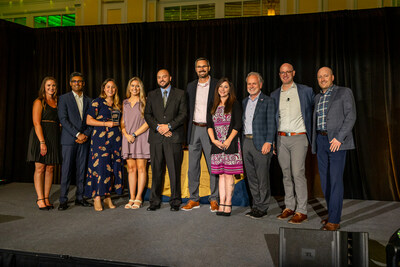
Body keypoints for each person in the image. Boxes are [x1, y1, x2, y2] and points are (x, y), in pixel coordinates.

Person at [312, 67, 356, 231]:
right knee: (325, 181)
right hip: (321, 140)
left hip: (336, 142)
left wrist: (339, 138)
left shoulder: (344, 92)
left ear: (332, 77)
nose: (322, 79)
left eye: (325, 76)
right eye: (319, 77)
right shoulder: (317, 97)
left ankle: (335, 220)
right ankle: (331, 214)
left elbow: (351, 116)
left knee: (335, 180)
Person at [270, 63, 315, 224]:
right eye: (282, 72)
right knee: (286, 174)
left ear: (294, 73)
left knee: (298, 173)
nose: (285, 74)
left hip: (299, 137)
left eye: (288, 72)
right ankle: (289, 207)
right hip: (281, 138)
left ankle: (301, 210)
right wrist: (273, 141)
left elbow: (313, 113)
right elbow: (273, 120)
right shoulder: (275, 94)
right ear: (279, 74)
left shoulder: (305, 91)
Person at [144, 69, 187, 212]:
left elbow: (183, 114)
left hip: (173, 138)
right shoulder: (151, 95)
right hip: (156, 138)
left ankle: (175, 201)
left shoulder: (180, 94)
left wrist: (169, 126)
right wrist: (158, 127)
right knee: (156, 171)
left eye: (164, 77)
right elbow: (147, 114)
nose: (161, 79)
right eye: (159, 77)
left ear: (170, 77)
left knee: (174, 171)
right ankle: (154, 201)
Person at [182, 57, 219, 212]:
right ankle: (194, 198)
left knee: (213, 166)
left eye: (204, 66)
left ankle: (214, 199)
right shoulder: (190, 86)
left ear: (209, 68)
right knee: (193, 167)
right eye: (199, 67)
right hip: (194, 129)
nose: (201, 69)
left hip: (210, 130)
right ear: (195, 69)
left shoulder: (217, 84)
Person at [85, 78, 124, 211]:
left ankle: (107, 196)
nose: (110, 90)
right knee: (100, 167)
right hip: (100, 139)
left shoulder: (118, 104)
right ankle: (97, 197)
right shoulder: (97, 102)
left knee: (112, 167)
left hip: (116, 140)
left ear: (116, 90)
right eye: (108, 87)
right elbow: (89, 120)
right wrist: (105, 123)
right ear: (103, 88)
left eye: (113, 87)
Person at [207, 78, 243, 216]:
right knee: (221, 175)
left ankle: (228, 203)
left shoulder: (235, 104)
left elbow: (237, 124)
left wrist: (228, 140)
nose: (222, 89)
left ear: (230, 89)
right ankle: (221, 202)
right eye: (220, 87)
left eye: (226, 87)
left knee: (229, 175)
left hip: (231, 144)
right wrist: (213, 140)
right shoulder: (213, 105)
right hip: (217, 145)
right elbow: (209, 125)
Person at [242, 72, 276, 219]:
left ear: (260, 85)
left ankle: (263, 207)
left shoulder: (268, 101)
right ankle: (255, 205)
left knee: (262, 178)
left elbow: (271, 123)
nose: (251, 86)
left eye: (254, 83)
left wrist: (269, 142)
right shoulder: (244, 102)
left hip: (261, 143)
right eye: (249, 84)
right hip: (246, 142)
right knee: (251, 177)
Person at [58, 72, 92, 210]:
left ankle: (80, 197)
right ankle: (63, 200)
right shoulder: (63, 98)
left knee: (82, 170)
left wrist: (85, 135)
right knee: (66, 170)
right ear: (70, 83)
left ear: (83, 83)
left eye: (79, 81)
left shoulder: (90, 101)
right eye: (74, 81)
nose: (77, 83)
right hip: (69, 140)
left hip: (84, 140)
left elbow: (91, 121)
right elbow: (63, 119)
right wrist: (77, 134)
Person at [27, 77, 60, 210]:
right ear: (44, 87)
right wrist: (42, 142)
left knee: (50, 168)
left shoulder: (58, 101)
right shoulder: (39, 101)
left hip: (54, 135)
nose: (51, 88)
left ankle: (46, 198)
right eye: (48, 85)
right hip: (40, 136)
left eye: (53, 85)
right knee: (40, 168)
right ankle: (40, 198)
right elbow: (36, 123)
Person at [121, 77, 150, 209]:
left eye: (137, 86)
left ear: (140, 88)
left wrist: (134, 134)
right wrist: (126, 134)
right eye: (132, 86)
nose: (134, 88)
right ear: (129, 87)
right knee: (131, 169)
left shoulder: (145, 102)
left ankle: (139, 197)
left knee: (141, 168)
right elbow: (122, 122)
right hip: (127, 139)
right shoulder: (125, 102)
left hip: (141, 137)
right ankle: (131, 197)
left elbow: (148, 122)